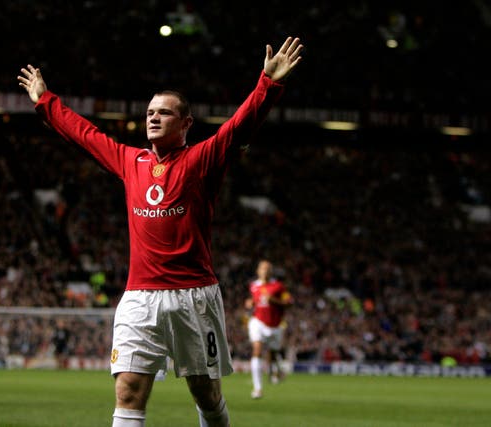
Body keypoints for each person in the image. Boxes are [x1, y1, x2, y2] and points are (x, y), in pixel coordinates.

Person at [18, 35, 303, 427]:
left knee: (206, 393)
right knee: (128, 391)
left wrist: (267, 85)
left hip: (194, 297)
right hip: (139, 296)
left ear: (185, 123)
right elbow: (84, 136)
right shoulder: (129, 160)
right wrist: (44, 100)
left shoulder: (202, 160)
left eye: (164, 113)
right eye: (151, 111)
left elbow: (238, 128)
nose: (153, 117)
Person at [245, 259, 293, 399]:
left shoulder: (278, 286)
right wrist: (249, 303)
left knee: (272, 353)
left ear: (271, 271)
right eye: (262, 268)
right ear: (258, 271)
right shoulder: (253, 286)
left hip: (275, 325)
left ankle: (275, 371)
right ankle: (257, 388)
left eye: (267, 269)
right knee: (257, 350)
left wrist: (274, 301)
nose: (265, 271)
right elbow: (254, 301)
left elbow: (289, 302)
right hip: (258, 322)